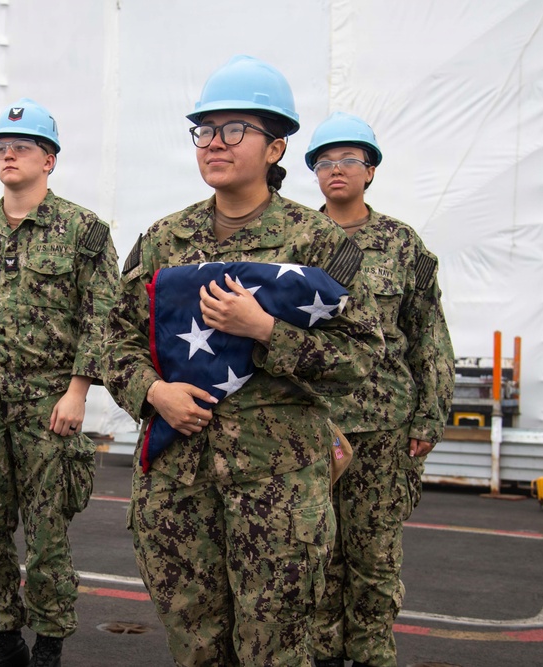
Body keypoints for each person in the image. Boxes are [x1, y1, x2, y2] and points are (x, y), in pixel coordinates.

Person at [102, 55, 385, 666]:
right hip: (178, 482)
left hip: (277, 485)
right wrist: (155, 394)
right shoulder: (162, 241)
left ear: (276, 147)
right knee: (196, 645)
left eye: (234, 130)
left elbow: (361, 357)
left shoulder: (318, 244)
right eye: (204, 130)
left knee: (276, 650)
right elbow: (115, 342)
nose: (214, 144)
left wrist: (266, 331)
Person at [0, 98, 120, 667]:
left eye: (20, 147)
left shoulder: (84, 231)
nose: (8, 155)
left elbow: (102, 314)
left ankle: (49, 643)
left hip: (48, 398)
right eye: (0, 147)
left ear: (49, 159)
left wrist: (78, 390)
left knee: (48, 531)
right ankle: (2, 638)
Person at [305, 112, 454, 667]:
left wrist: (429, 418)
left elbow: (429, 337)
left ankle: (371, 655)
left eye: (348, 160)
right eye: (324, 161)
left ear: (370, 171)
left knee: (374, 557)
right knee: (316, 551)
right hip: (315, 425)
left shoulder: (401, 243)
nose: (335, 170)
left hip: (385, 428)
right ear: (313, 173)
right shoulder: (301, 239)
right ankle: (321, 655)